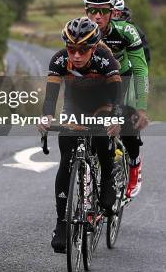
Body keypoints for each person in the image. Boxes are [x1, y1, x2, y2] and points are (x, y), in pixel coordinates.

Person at [39, 17, 122, 253]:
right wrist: (46, 117)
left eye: (83, 50)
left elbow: (117, 94)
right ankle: (62, 224)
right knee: (66, 157)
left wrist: (115, 117)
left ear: (93, 48)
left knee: (101, 134)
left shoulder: (105, 59)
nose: (76, 55)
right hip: (75, 106)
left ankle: (107, 179)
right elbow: (51, 95)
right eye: (72, 49)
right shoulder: (59, 60)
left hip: (103, 102)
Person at [83, 0, 149, 199]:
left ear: (112, 12)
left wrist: (141, 106)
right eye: (92, 10)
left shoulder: (126, 31)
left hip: (125, 77)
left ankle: (134, 167)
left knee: (127, 120)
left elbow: (140, 68)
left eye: (103, 11)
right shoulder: (81, 29)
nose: (97, 16)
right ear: (86, 11)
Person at [112, 0, 151, 65]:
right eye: (112, 11)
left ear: (121, 11)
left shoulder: (132, 30)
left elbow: (145, 57)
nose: (115, 13)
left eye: (117, 10)